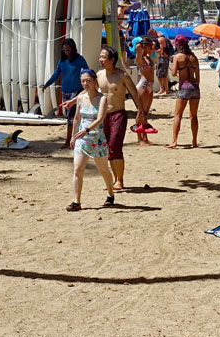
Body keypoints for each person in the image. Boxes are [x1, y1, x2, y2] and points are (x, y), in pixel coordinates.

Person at [59, 69, 115, 210]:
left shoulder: (102, 98)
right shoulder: (80, 98)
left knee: (103, 170)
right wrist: (73, 135)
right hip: (82, 138)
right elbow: (77, 118)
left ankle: (110, 194)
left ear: (95, 81)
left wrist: (87, 130)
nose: (85, 84)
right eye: (83, 81)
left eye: (88, 80)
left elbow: (100, 118)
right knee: (78, 169)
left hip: (97, 137)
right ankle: (76, 202)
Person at [96, 46, 146, 192]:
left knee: (115, 146)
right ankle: (114, 178)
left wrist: (141, 112)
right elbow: (89, 92)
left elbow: (135, 94)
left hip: (118, 114)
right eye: (100, 57)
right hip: (103, 115)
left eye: (104, 57)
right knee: (109, 149)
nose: (101, 60)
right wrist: (73, 101)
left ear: (112, 60)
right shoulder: (99, 75)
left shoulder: (122, 75)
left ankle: (120, 180)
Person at [42, 38, 90, 147]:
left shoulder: (80, 59)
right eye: (64, 50)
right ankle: (72, 139)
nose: (66, 52)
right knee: (69, 116)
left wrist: (88, 86)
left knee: (71, 116)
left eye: (68, 50)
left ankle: (69, 141)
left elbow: (88, 72)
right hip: (65, 92)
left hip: (76, 91)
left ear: (73, 49)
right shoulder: (62, 61)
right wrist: (47, 84)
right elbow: (56, 74)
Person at [168, 36, 200, 148]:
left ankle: (175, 141)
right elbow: (198, 77)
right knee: (194, 116)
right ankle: (194, 141)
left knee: (178, 115)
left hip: (184, 86)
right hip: (195, 87)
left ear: (178, 45)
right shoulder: (194, 57)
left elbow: (173, 73)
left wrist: (174, 70)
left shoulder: (178, 57)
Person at [131, 37, 157, 144]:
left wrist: (149, 46)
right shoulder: (141, 58)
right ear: (145, 47)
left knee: (145, 113)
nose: (152, 49)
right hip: (144, 85)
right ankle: (139, 138)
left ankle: (145, 137)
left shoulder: (147, 58)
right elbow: (138, 54)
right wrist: (140, 48)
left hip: (149, 86)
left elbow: (154, 45)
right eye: (150, 47)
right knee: (140, 112)